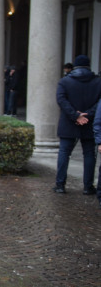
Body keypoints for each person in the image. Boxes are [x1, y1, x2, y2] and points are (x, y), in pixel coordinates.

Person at [54, 55, 101, 194]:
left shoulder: (65, 81)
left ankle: (60, 185)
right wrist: (87, 115)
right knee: (89, 154)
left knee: (64, 153)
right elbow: (99, 103)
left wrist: (75, 115)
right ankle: (88, 186)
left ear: (75, 66)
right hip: (89, 122)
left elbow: (61, 100)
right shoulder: (98, 82)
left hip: (69, 122)